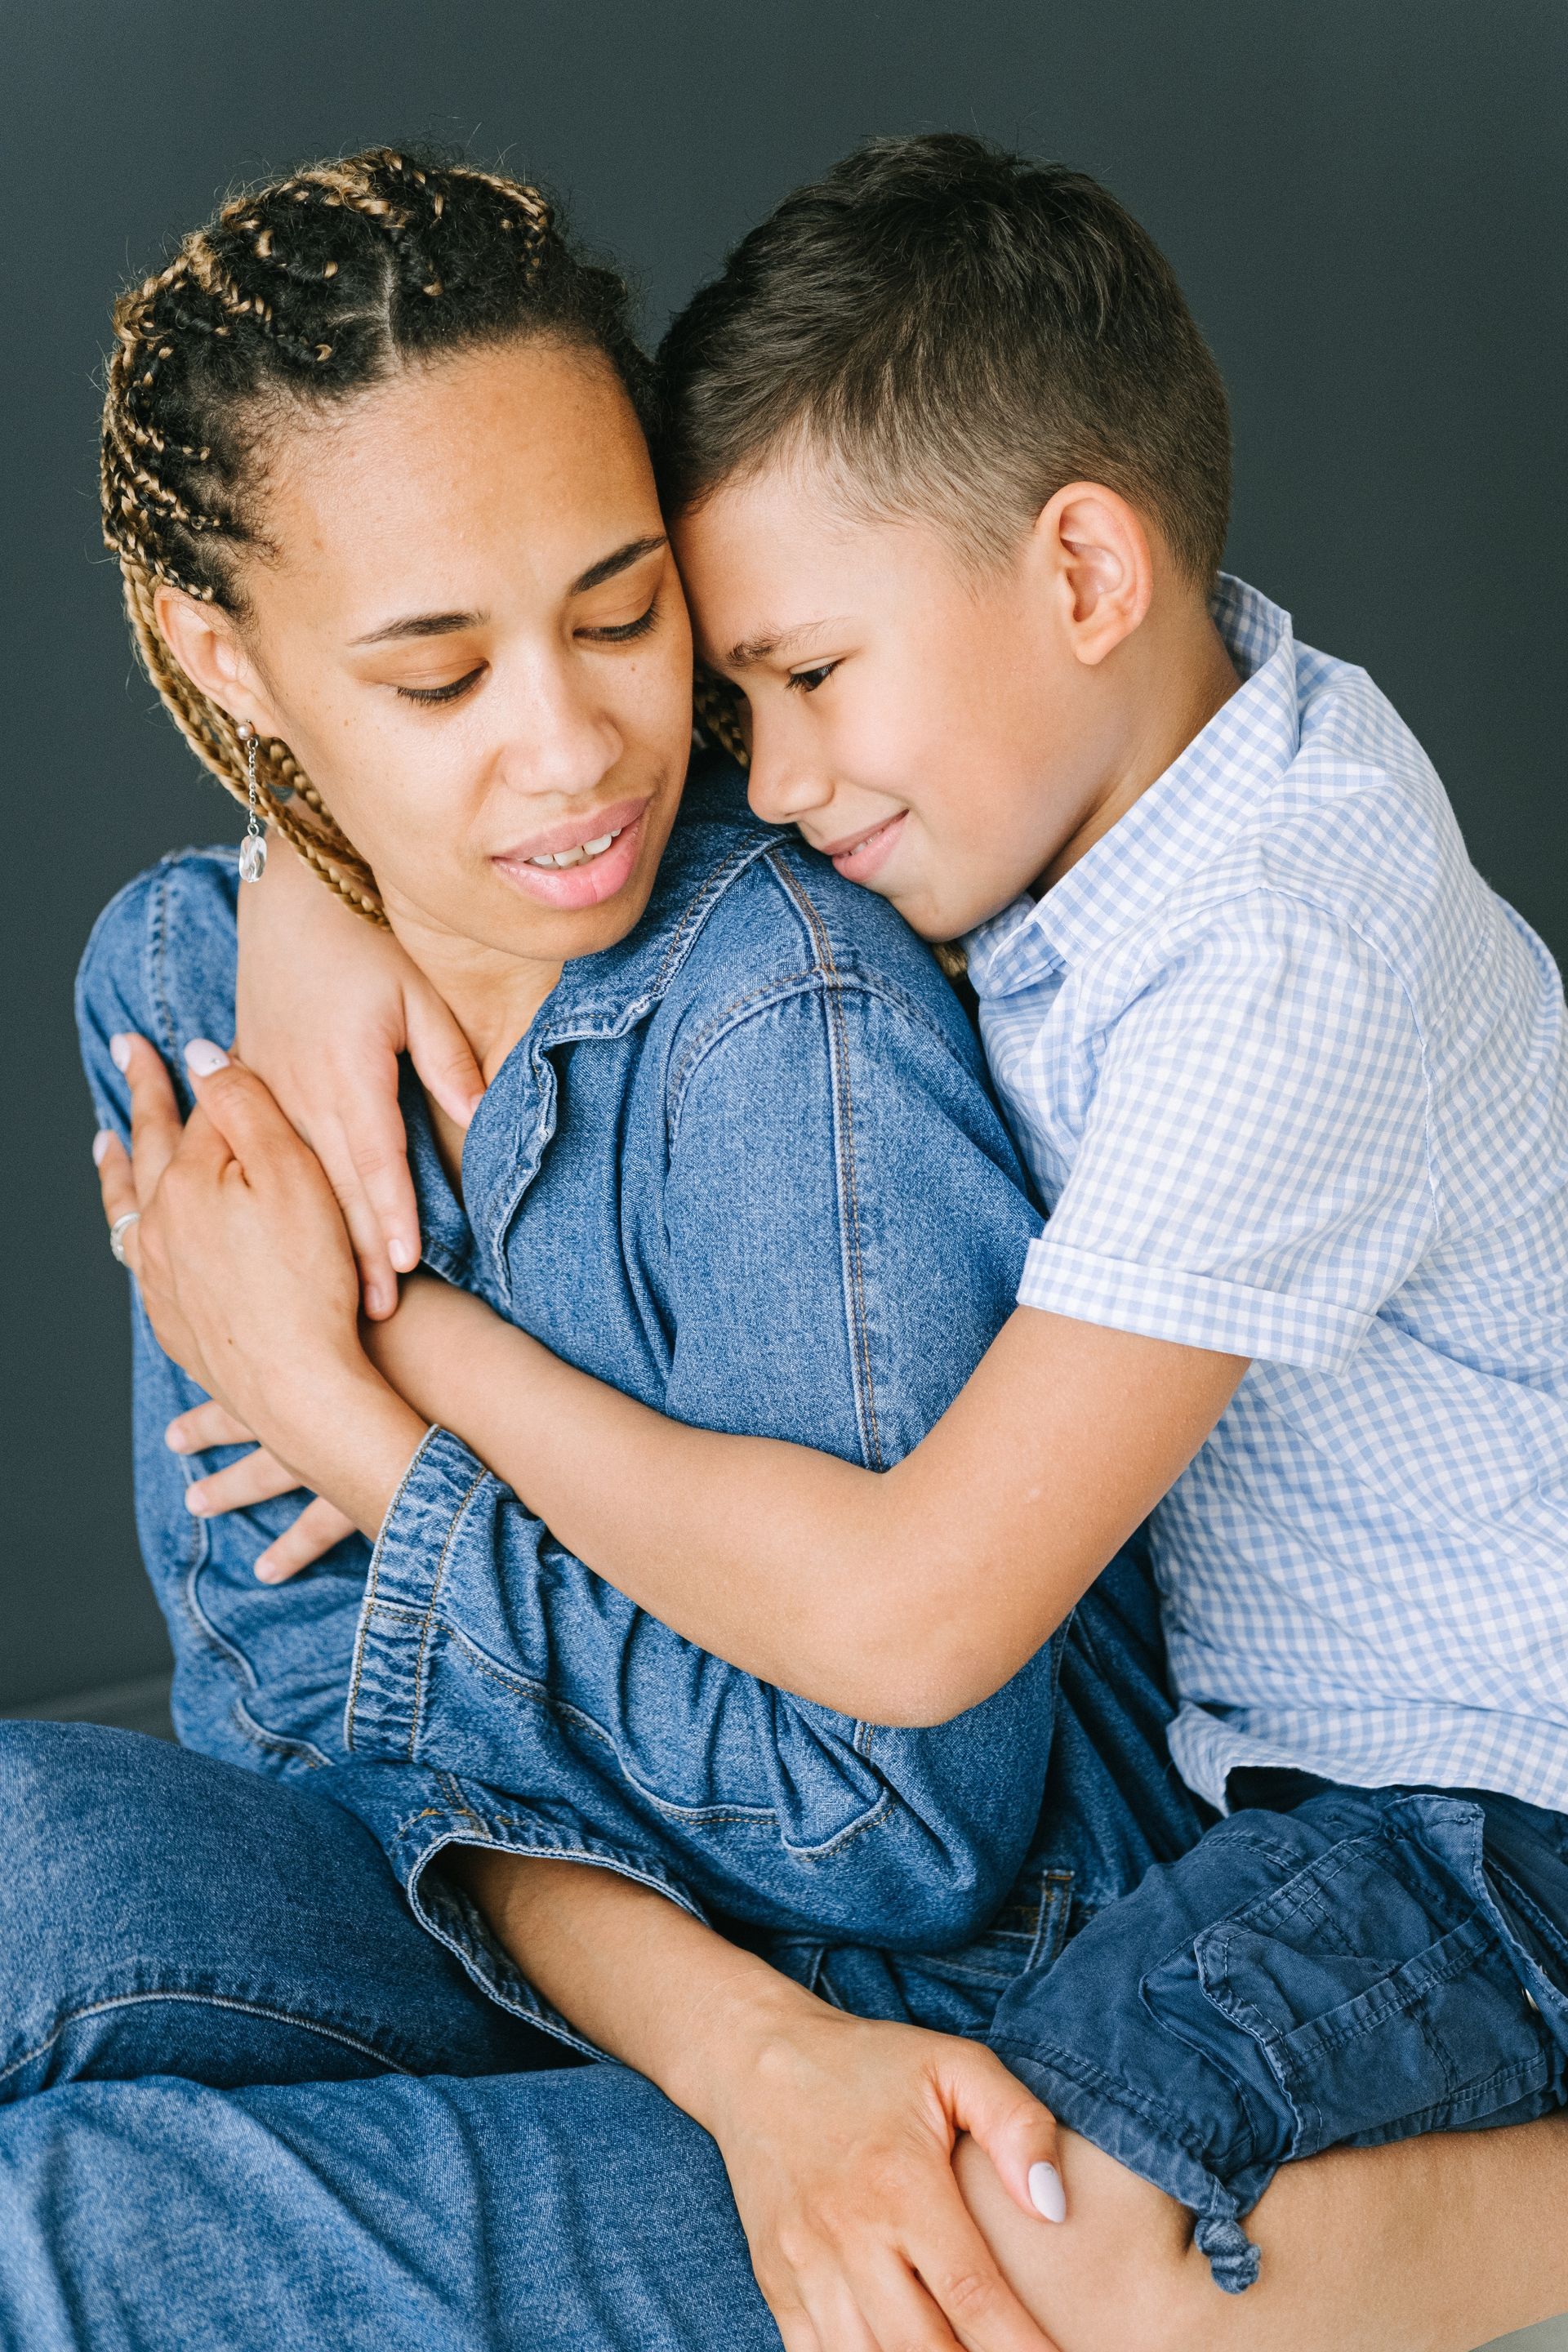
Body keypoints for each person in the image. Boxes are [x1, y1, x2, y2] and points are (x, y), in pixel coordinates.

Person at [17, 141, 1566, 2352]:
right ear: (234, 664)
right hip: (993, 1831)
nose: (701, 761)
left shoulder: (1176, 958)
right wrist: (296, 874)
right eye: (434, 676)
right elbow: (311, 1720)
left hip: (1466, 1818)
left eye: (650, 631)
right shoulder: (1017, 801)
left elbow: (907, 1676)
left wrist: (371, 1372)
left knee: (1066, 2227)